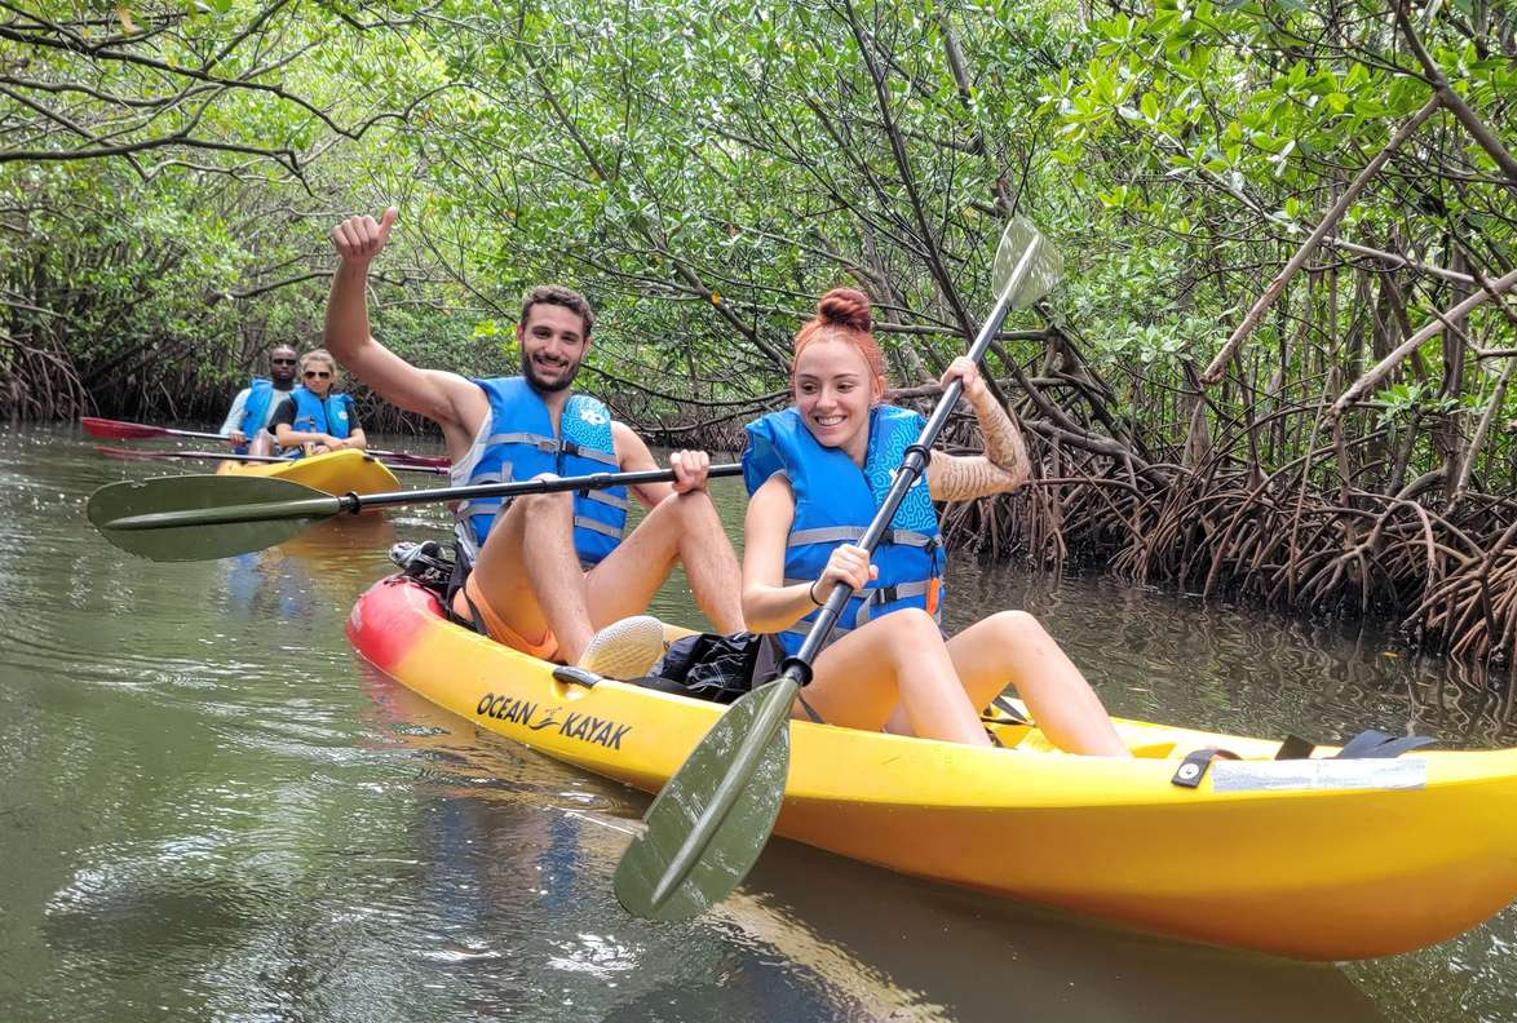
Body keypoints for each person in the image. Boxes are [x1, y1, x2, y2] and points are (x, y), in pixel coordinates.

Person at [322, 208, 743, 671]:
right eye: (542, 334)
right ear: (521, 336)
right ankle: (588, 664)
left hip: (589, 599)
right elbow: (354, 349)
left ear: (584, 348)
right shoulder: (471, 405)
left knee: (693, 505)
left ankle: (746, 650)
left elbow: (683, 519)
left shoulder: (616, 439)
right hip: (501, 603)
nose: (553, 349)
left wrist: (693, 476)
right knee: (546, 492)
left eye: (567, 338)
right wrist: (355, 265)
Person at [739, 288, 1128, 756]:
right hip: (816, 693)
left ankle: (1119, 772)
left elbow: (1010, 471)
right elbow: (755, 610)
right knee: (910, 626)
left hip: (902, 701)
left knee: (1015, 627)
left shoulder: (912, 472)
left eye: (844, 386)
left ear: (875, 391)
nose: (825, 403)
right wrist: (817, 590)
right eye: (808, 387)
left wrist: (980, 398)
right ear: (794, 391)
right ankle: (986, 783)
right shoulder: (778, 494)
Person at [268, 349, 368, 456]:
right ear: (304, 377)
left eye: (323, 375)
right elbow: (284, 438)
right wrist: (323, 437)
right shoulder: (290, 403)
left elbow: (361, 441)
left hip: (336, 458)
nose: (316, 379)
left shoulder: (345, 405)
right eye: (310, 374)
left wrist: (333, 447)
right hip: (299, 460)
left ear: (333, 378)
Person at [219, 345, 299, 456]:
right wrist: (234, 434)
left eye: (290, 362)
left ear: (297, 366)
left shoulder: (309, 398)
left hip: (293, 457)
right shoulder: (246, 395)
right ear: (270, 365)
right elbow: (225, 433)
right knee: (262, 434)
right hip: (254, 453)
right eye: (278, 361)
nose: (284, 366)